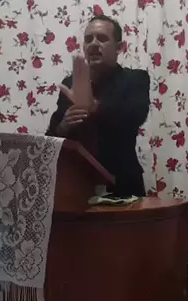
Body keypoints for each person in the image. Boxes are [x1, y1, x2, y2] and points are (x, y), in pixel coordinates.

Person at [46, 15, 150, 197]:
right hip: (76, 185)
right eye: (88, 39)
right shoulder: (70, 83)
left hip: (123, 184)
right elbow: (51, 136)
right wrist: (64, 125)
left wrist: (94, 107)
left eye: (102, 38)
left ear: (119, 47)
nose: (93, 44)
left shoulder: (135, 79)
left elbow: (135, 117)